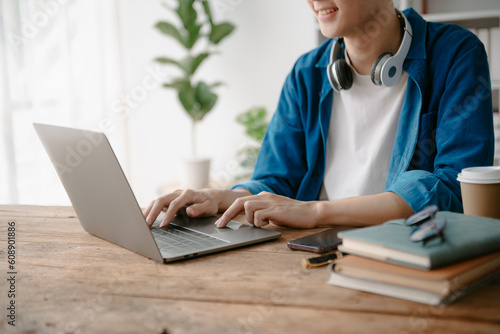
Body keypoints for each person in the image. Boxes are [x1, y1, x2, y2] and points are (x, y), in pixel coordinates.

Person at [144, 0, 494, 230]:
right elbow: (276, 182)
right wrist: (221, 197)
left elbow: (454, 188)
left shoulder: (456, 54)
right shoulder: (306, 72)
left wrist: (316, 212)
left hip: (402, 255)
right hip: (312, 253)